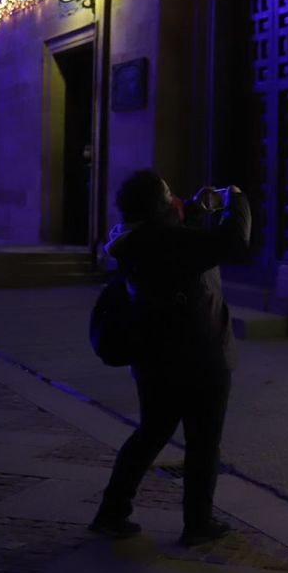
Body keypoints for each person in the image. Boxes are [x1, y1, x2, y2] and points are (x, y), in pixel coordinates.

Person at [89, 169, 251, 545]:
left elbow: (179, 244)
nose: (174, 197)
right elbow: (232, 243)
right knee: (203, 443)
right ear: (159, 206)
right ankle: (198, 524)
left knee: (151, 434)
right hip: (199, 357)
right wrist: (236, 199)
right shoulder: (168, 244)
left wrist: (193, 208)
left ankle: (112, 511)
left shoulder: (137, 239)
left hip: (155, 359)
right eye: (169, 194)